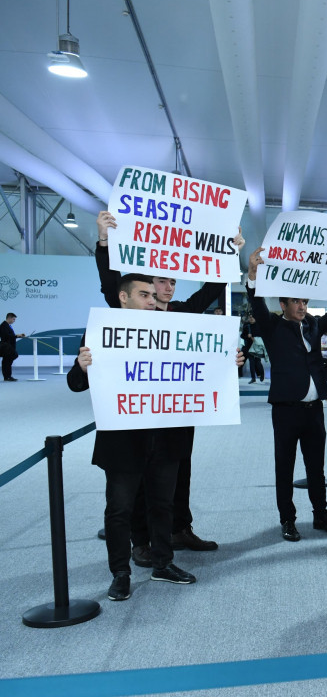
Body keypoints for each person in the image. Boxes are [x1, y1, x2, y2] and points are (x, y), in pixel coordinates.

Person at [94, 210, 234, 554]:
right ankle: (140, 540)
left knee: (179, 470)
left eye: (172, 282)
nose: (168, 288)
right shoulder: (130, 311)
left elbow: (214, 288)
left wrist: (227, 250)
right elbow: (110, 282)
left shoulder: (185, 313)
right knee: (141, 478)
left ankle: (178, 528)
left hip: (179, 410)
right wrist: (104, 241)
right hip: (140, 413)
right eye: (161, 282)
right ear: (144, 286)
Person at [67, 274, 199, 600]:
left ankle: (163, 564)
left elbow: (198, 367)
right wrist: (82, 367)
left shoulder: (172, 330)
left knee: (162, 505)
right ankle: (120, 573)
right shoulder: (101, 332)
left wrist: (228, 362)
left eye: (154, 295)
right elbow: (75, 383)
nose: (153, 300)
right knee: (120, 509)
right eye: (145, 294)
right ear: (123, 298)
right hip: (123, 441)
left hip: (166, 436)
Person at [247, 247, 327, 542]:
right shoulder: (272, 326)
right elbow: (256, 306)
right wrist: (253, 276)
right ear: (283, 304)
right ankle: (288, 520)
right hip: (286, 409)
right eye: (296, 301)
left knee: (316, 467)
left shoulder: (313, 326)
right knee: (285, 466)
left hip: (313, 410)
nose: (302, 306)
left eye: (304, 301)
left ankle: (321, 515)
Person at [1, 313, 25, 381]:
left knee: (8, 361)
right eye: (13, 319)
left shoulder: (8, 325)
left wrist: (17, 335)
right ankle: (7, 376)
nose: (14, 320)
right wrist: (17, 336)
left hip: (9, 346)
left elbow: (10, 336)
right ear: (9, 318)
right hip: (6, 347)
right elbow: (6, 336)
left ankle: (8, 376)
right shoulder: (3, 326)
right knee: (7, 361)